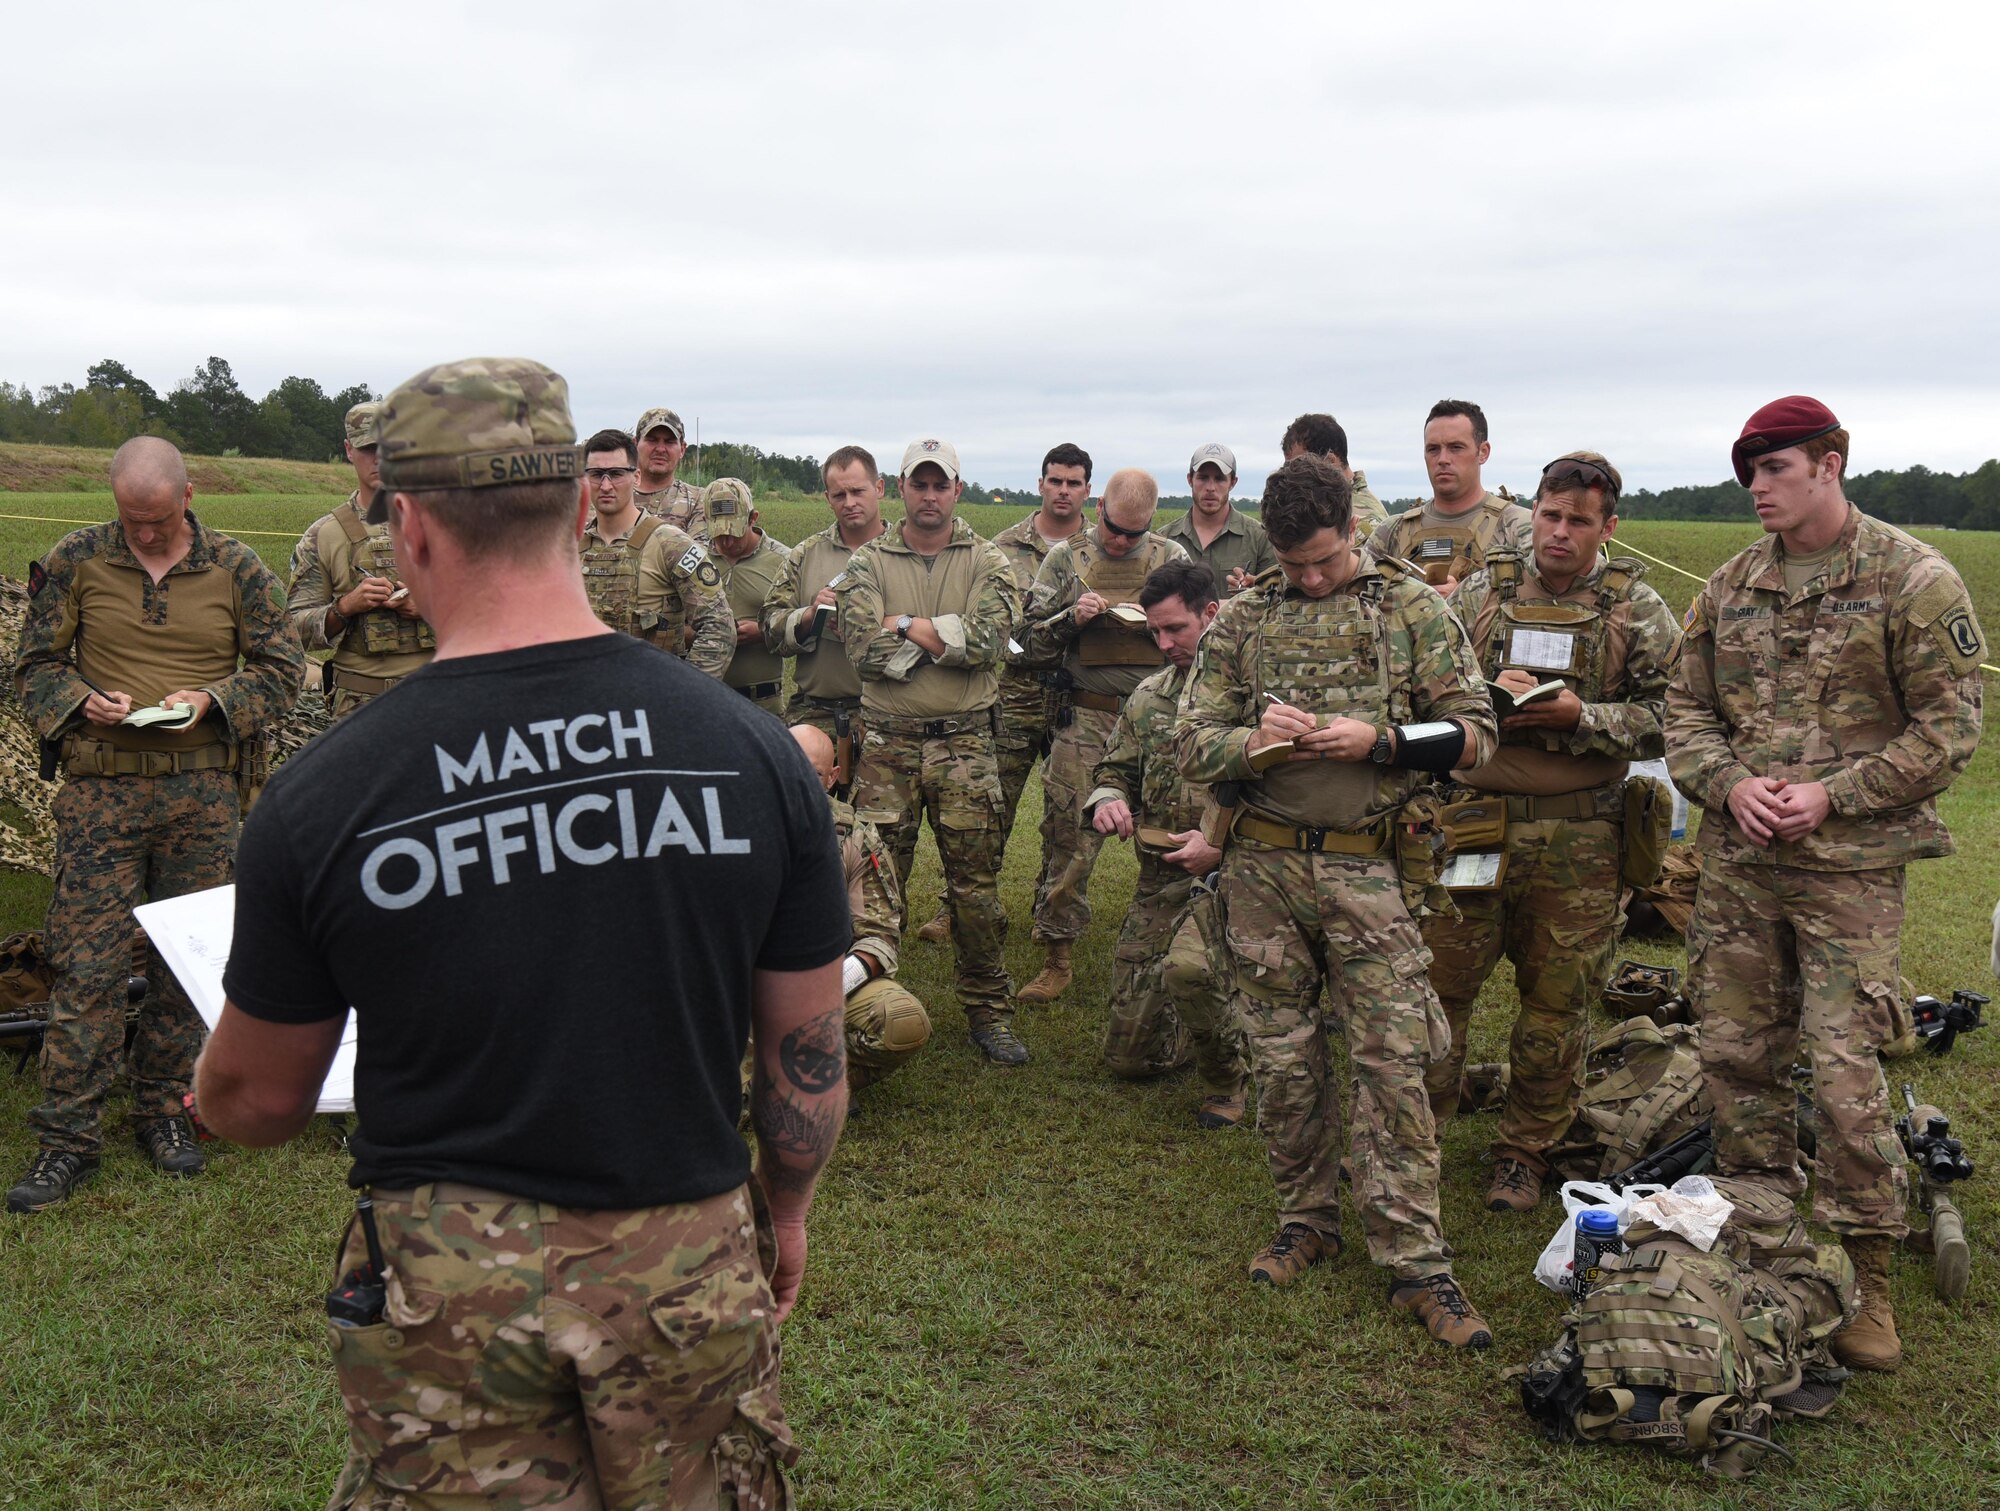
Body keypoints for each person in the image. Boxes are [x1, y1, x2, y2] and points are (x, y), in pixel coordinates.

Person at [191, 357, 849, 1503]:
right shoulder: (750, 754)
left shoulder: (325, 795)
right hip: (686, 1251)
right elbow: (807, 1053)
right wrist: (782, 1206)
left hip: (448, 1281)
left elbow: (254, 1101)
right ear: (572, 506)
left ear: (411, 530)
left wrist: (204, 1087)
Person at [1666, 396, 1986, 1373]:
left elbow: (1948, 730)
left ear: (1829, 462)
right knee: (1736, 1056)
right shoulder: (1727, 587)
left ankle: (1867, 1276)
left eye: (1774, 466)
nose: (1757, 485)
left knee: (1842, 1070)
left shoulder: (1910, 580)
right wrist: (1725, 784)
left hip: (1845, 876)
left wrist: (1828, 795)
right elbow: (1682, 709)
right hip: (1737, 872)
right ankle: (1761, 1248)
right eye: (1745, 471)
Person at [1176, 454, 1497, 1348]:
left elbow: (1477, 733)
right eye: (1293, 564)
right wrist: (1251, 742)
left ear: (1354, 530)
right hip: (1264, 872)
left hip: (1371, 872)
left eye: (1323, 559)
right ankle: (1306, 1215)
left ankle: (1416, 1258)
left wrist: (1385, 740)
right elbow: (1190, 743)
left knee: (1395, 1061)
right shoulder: (1244, 617)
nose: (1309, 578)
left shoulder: (1409, 608)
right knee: (1281, 1060)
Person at [6, 437, 303, 1213]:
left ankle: (165, 1110)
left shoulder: (238, 569)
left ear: (189, 496)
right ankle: (67, 1138)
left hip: (203, 796)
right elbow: (31, 665)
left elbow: (282, 667)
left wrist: (214, 703)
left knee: (185, 958)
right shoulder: (75, 559)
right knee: (85, 964)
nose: (144, 533)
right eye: (130, 519)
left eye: (158, 518)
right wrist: (78, 699)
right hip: (101, 794)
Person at [1417, 451, 1681, 1212]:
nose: (1559, 533)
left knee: (1557, 1007)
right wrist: (1484, 699)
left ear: (1609, 527)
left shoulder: (1639, 610)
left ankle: (1525, 1150)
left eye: (1579, 521)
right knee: (1441, 992)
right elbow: (1424, 687)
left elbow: (1674, 720)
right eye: (1550, 514)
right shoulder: (1480, 593)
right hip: (1472, 826)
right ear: (1532, 509)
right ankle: (1419, 1139)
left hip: (1581, 841)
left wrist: (1583, 717)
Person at [838, 438, 1023, 1064]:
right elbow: (862, 650)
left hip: (965, 744)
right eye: (919, 484)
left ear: (956, 491)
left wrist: (902, 622)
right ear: (901, 488)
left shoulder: (990, 560)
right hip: (887, 748)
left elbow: (992, 639)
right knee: (876, 883)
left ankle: (989, 1011)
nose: (929, 495)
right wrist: (946, 635)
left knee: (975, 886)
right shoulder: (866, 562)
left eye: (940, 484)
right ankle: (870, 1006)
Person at [1084, 560, 1248, 1125]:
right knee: (1130, 1058)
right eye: (1155, 631)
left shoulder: (1253, 697)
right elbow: (1115, 768)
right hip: (1163, 879)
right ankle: (1241, 1017)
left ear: (1212, 612)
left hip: (1242, 879)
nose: (1163, 642)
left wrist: (1221, 846)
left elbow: (1288, 794)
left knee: (1190, 971)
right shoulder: (1150, 696)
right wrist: (1108, 798)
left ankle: (1230, 1079)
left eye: (1175, 628)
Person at [1016, 469, 1187, 1004]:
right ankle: (1057, 954)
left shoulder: (1173, 561)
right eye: (1114, 529)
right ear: (1099, 512)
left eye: (1134, 535)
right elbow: (1025, 645)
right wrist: (1071, 618)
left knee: (1171, 836)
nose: (1120, 542)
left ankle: (1171, 949)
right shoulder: (1066, 560)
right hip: (1087, 718)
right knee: (1069, 836)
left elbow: (1205, 637)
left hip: (1159, 722)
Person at [915, 441, 1091, 942]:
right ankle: (962, 909)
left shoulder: (1097, 553)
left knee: (1068, 814)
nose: (1063, 491)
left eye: (1073, 482)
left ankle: (1050, 913)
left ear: (1087, 491)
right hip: (1012, 694)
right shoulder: (1000, 548)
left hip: (1076, 697)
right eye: (1055, 480)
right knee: (992, 809)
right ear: (1040, 484)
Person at [791, 724, 932, 1091]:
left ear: (833, 777)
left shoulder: (853, 835)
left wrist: (831, 986)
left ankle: (827, 1080)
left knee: (902, 1021)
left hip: (826, 981)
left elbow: (879, 936)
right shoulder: (728, 827)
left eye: (815, 773)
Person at [286, 401, 434, 717]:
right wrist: (346, 607)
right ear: (349, 450)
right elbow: (292, 629)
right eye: (369, 448)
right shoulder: (324, 535)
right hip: (358, 705)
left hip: (437, 696)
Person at [765, 445, 888, 789]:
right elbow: (770, 625)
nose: (849, 502)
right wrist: (809, 617)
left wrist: (875, 625)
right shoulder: (805, 554)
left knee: (880, 827)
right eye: (839, 494)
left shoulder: (903, 552)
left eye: (858, 491)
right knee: (808, 821)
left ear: (879, 489)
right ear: (827, 498)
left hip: (886, 716)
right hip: (816, 712)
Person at [578, 427, 733, 677]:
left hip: (654, 697)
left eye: (616, 474)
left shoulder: (670, 544)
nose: (606, 485)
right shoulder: (570, 548)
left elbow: (719, 626)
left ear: (636, 477)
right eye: (596, 474)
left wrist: (686, 695)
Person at [1369, 399, 1532, 594]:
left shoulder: (1518, 526)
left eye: (1456, 447)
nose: (1443, 459)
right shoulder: (1391, 533)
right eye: (1433, 449)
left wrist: (1463, 598)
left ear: (1483, 452)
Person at [701, 478, 791, 716]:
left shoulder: (785, 561)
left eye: (735, 533)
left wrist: (763, 632)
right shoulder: (692, 559)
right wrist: (714, 633)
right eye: (719, 534)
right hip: (705, 699)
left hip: (763, 704)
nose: (727, 542)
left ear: (753, 518)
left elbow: (804, 626)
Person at [1160, 443, 1277, 592]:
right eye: (1202, 478)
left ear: (1233, 482)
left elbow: (1274, 596)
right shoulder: (1164, 539)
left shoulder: (1260, 538)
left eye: (1219, 479)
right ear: (1190, 480)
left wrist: (1254, 589)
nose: (1210, 487)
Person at [1281, 413, 1388, 536]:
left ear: (1330, 462)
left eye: (1301, 466)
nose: (1290, 475)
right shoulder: (1329, 505)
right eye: (1288, 468)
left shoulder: (1362, 519)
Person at [632, 405, 706, 538]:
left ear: (682, 449)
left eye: (669, 442)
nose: (660, 449)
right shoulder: (611, 494)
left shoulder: (699, 500)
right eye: (652, 440)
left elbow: (698, 554)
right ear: (635, 444)